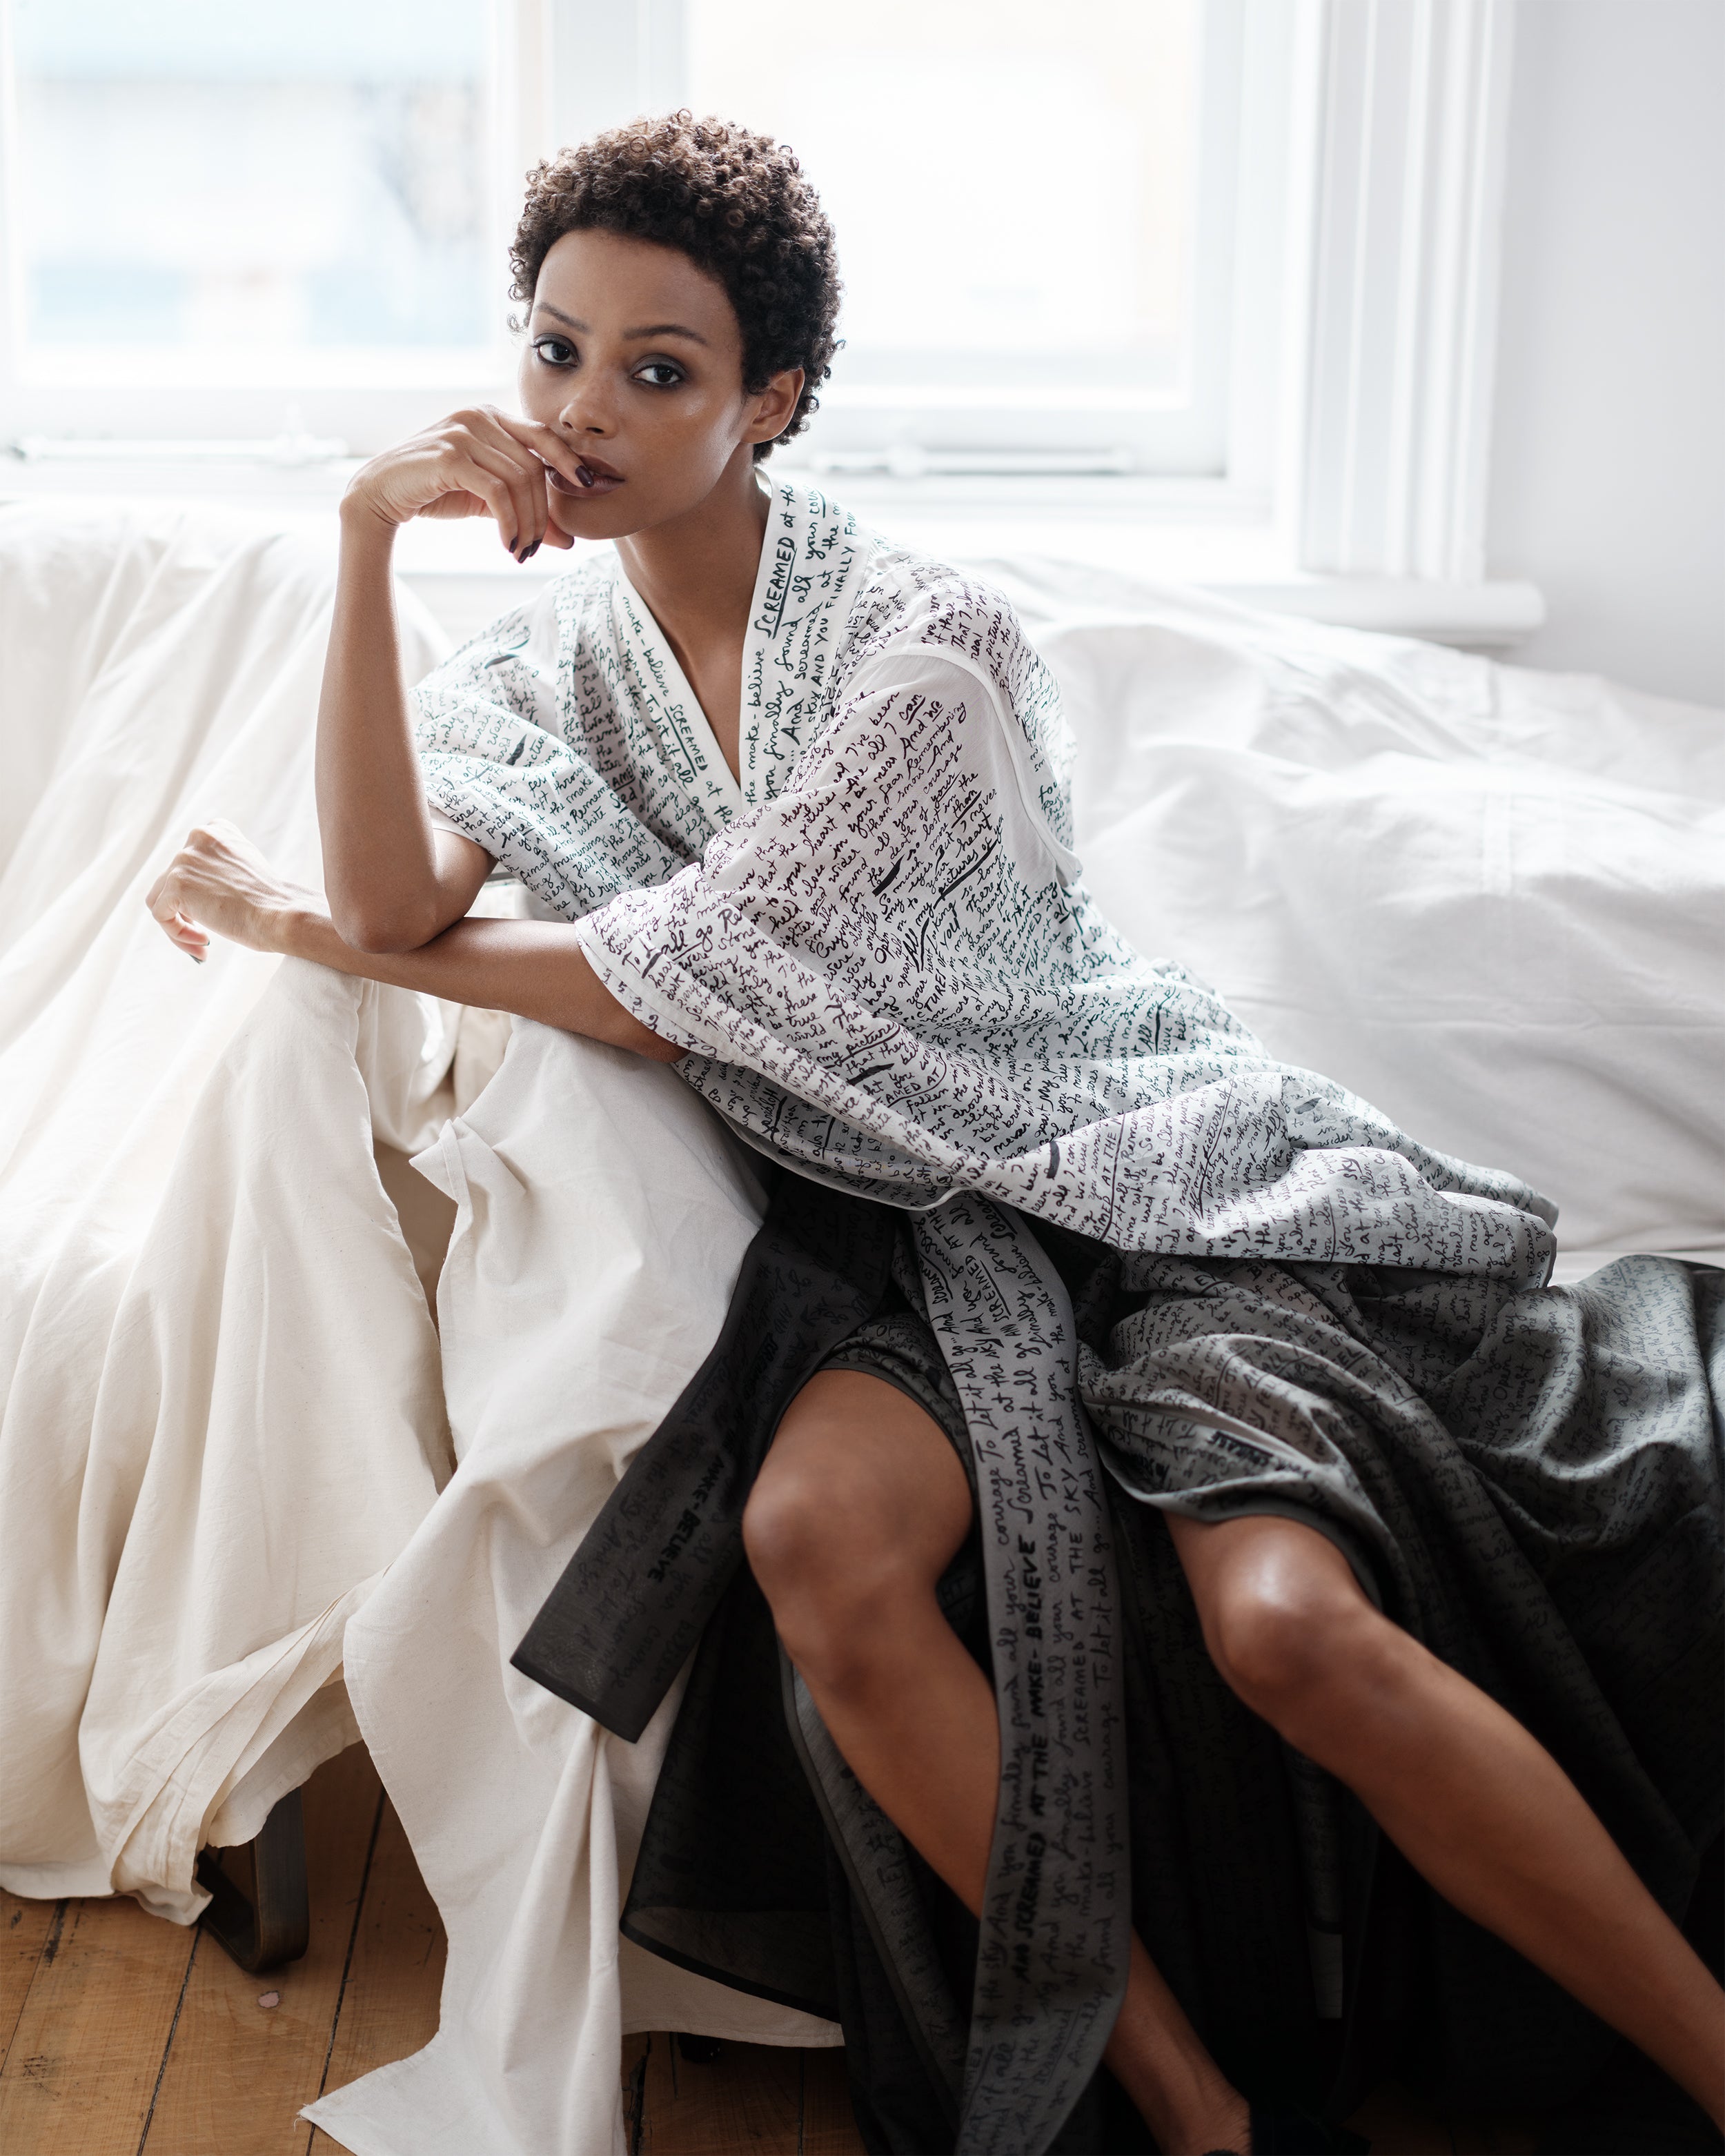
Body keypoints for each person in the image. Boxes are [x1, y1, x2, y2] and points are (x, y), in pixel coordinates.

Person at [146, 115, 1723, 2156]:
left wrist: (290, 922)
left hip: (1137, 1180)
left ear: (771, 399)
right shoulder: (542, 671)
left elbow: (656, 976)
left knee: (1282, 1627)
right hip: (891, 1232)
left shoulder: (927, 645)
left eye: (659, 367)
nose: (584, 409)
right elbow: (390, 904)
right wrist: (368, 542)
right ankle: (1192, 2111)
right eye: (554, 350)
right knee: (814, 1543)